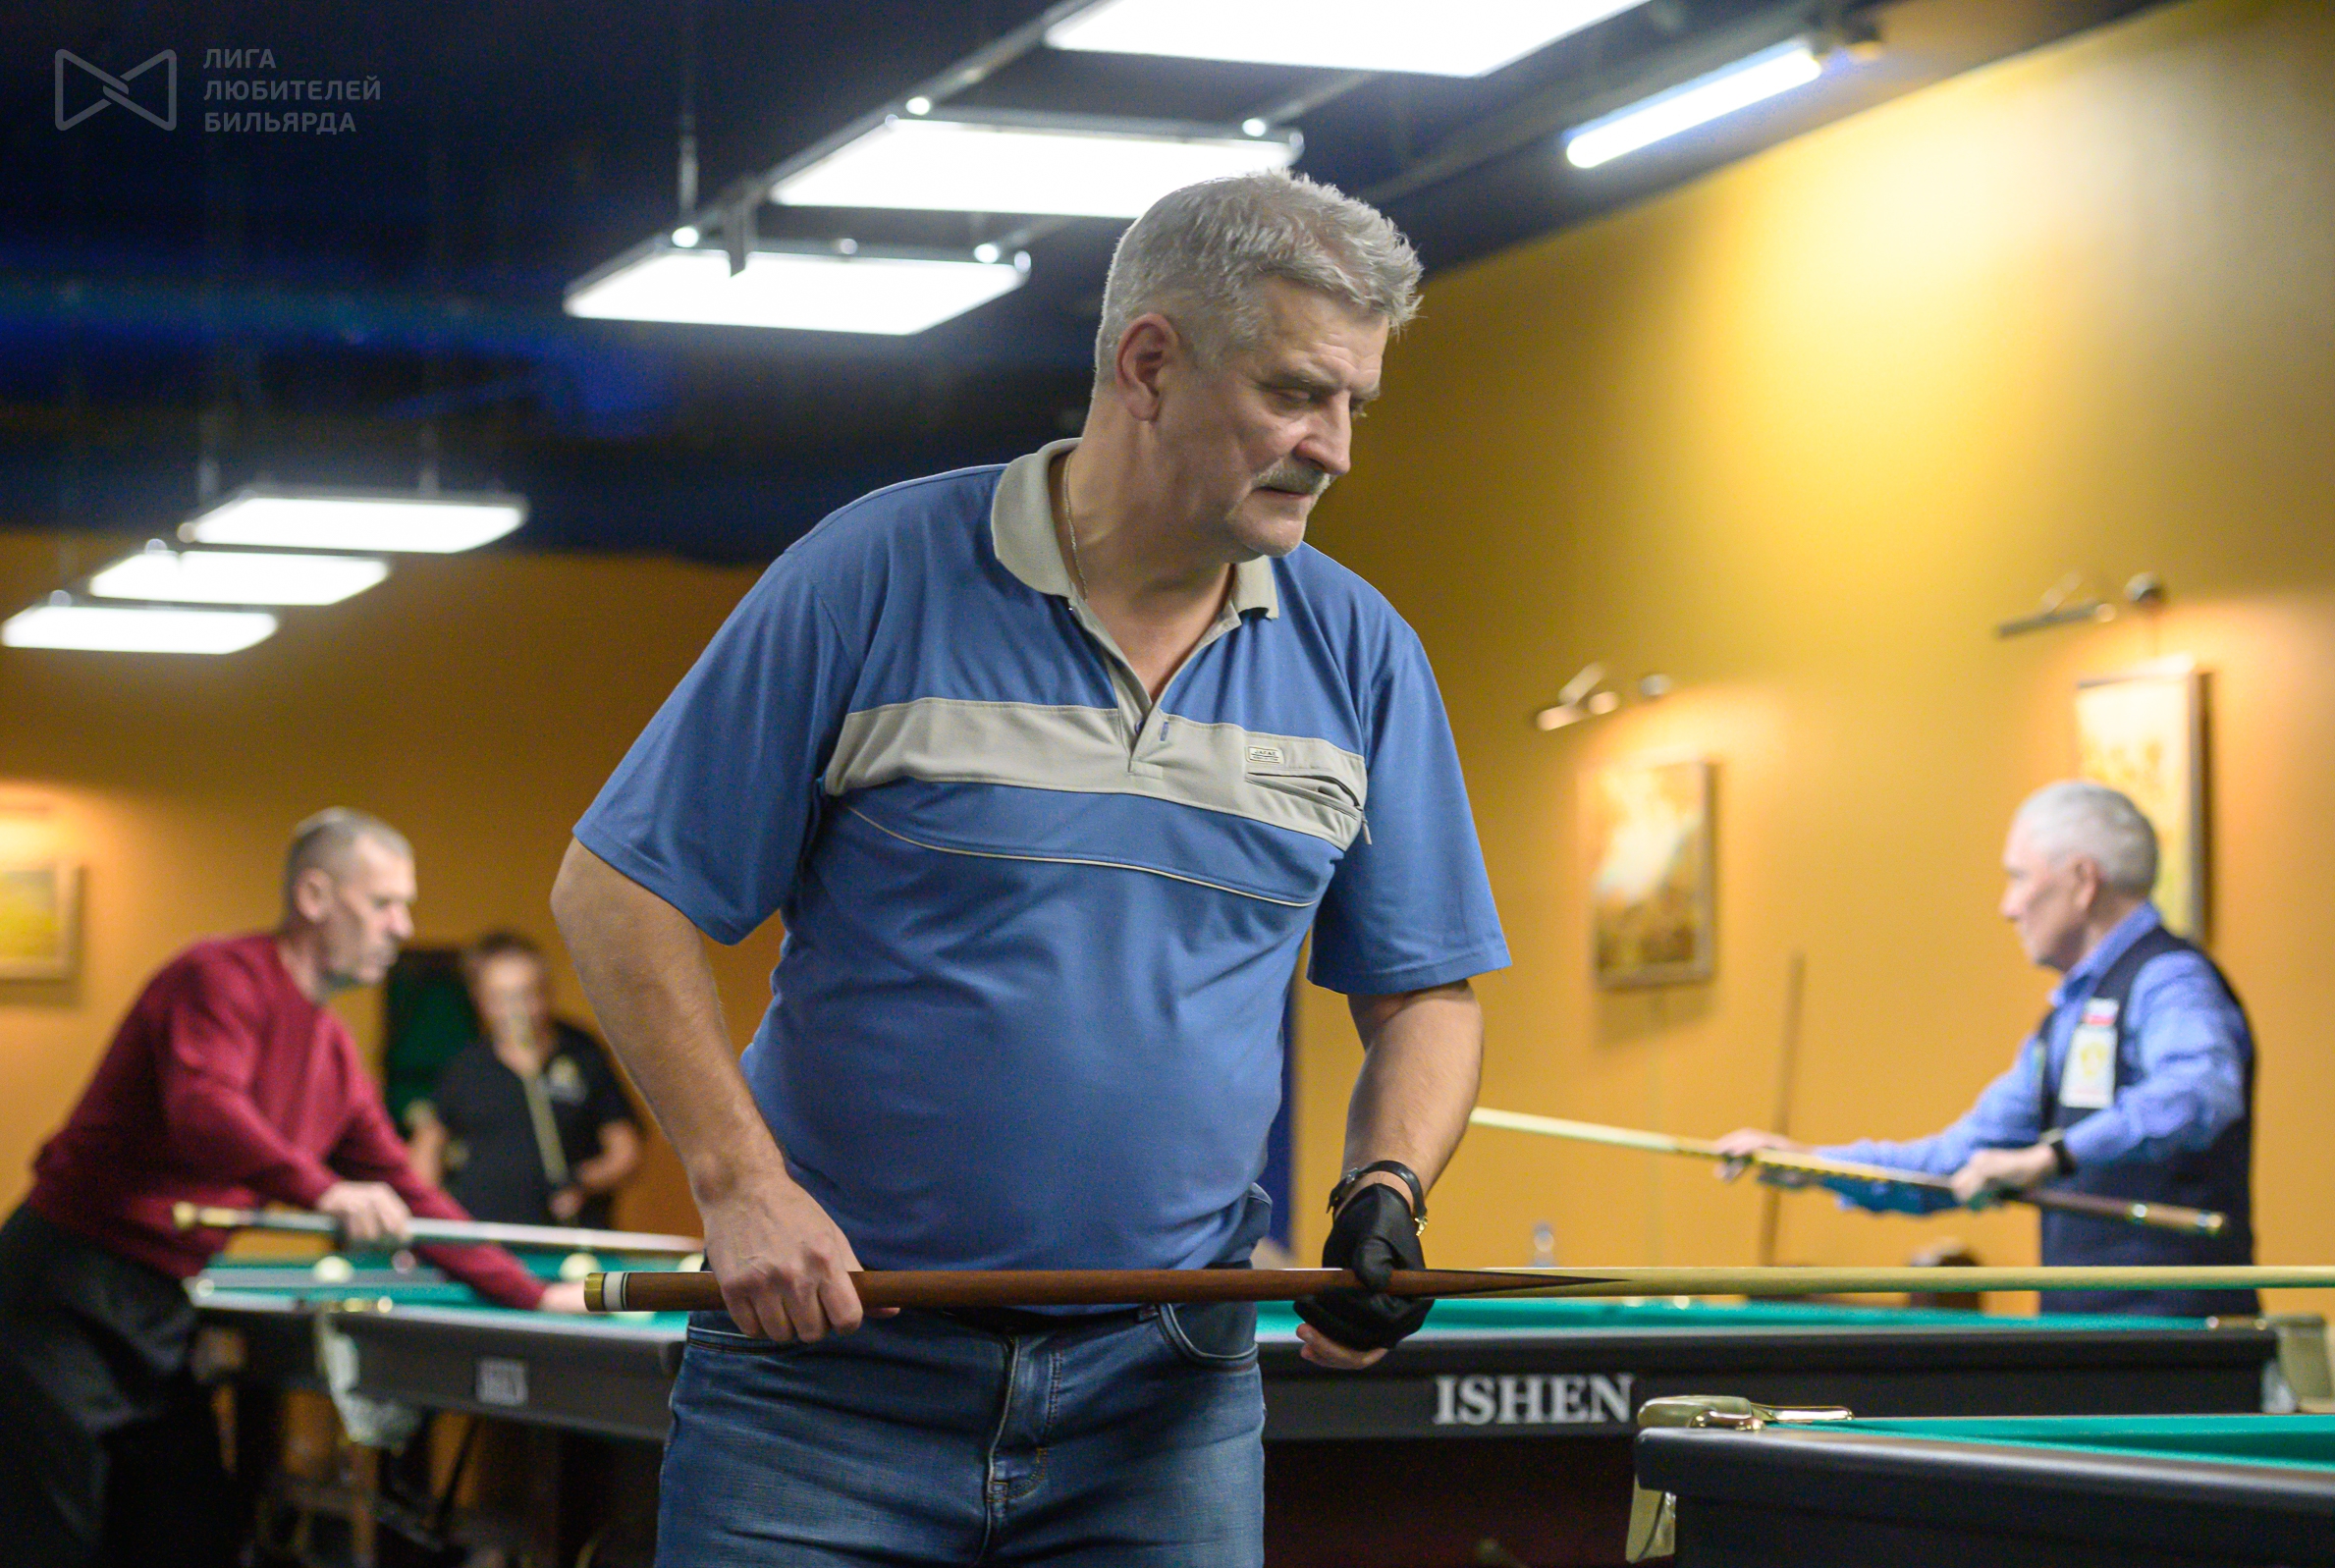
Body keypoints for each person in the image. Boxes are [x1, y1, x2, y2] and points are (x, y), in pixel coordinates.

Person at [552, 171, 1510, 1566]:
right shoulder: (873, 574)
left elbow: (1424, 993)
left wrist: (1388, 1188)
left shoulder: (1362, 654)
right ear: (1149, 364)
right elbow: (616, 890)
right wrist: (739, 1182)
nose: (1337, 448)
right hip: (827, 1382)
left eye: (1356, 401)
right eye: (1299, 394)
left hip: (1164, 1399)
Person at [0, 809, 585, 1568]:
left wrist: (529, 1294)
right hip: (60, 1291)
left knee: (189, 1536)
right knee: (49, 1542)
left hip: (159, 1303)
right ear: (314, 896)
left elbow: (411, 1194)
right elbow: (205, 1111)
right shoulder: (215, 977)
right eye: (383, 903)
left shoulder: (332, 1051)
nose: (402, 926)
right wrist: (327, 1192)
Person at [1717, 781, 2255, 1317]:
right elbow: (1958, 1159)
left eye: (2019, 878)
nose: (2008, 907)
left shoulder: (2169, 978)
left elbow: (2200, 1092)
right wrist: (1814, 1164)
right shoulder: (2066, 1018)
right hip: (2088, 1333)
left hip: (2180, 1337)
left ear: (2082, 881)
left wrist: (2051, 1157)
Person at [407, 930, 642, 1228]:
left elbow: (626, 1152)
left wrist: (582, 1181)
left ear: (547, 992)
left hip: (570, 1239)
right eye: (500, 998)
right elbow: (426, 1149)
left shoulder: (583, 1053)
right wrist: (431, 1220)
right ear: (480, 999)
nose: (516, 1010)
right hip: (486, 1240)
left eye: (527, 994)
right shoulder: (466, 1065)